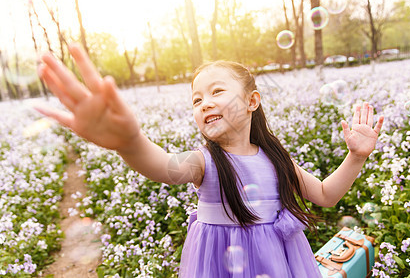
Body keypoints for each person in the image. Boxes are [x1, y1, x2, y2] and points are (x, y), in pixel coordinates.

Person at [36, 44, 384, 277]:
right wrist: (130, 142)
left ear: (252, 101)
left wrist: (355, 157)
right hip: (219, 265)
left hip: (277, 263)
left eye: (217, 91)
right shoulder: (204, 163)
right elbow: (161, 165)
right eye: (196, 99)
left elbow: (325, 195)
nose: (204, 103)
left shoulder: (276, 158)